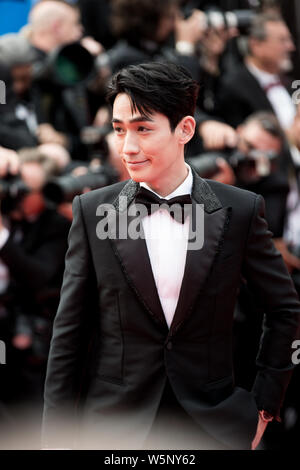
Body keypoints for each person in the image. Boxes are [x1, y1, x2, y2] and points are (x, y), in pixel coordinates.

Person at [42, 62, 300, 450]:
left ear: (185, 130)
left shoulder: (239, 210)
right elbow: (69, 335)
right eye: (119, 129)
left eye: (143, 129)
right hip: (114, 431)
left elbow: (283, 309)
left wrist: (265, 404)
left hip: (212, 426)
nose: (127, 146)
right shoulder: (93, 211)